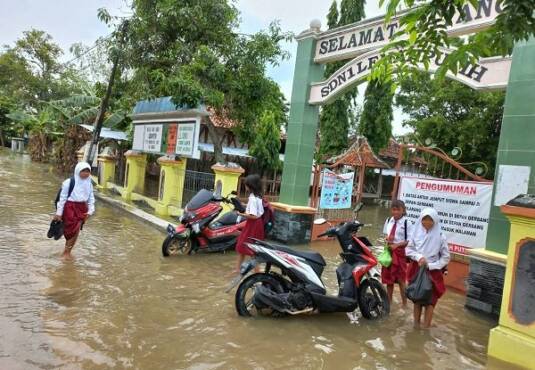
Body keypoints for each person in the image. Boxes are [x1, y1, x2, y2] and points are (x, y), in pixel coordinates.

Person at [406, 208, 450, 328]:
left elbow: (446, 258)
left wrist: (432, 265)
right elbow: (409, 250)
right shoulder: (415, 232)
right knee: (417, 298)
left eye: (430, 220)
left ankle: (426, 328)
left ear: (435, 221)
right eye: (424, 219)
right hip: (417, 268)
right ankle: (416, 326)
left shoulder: (441, 236)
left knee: (430, 301)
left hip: (433, 272)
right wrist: (418, 257)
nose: (426, 222)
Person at [53, 162, 95, 259]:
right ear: (77, 171)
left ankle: (67, 252)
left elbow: (91, 198)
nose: (86, 173)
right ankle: (66, 251)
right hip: (70, 208)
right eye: (83, 171)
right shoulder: (68, 182)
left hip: (82, 209)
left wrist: (90, 211)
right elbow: (62, 198)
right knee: (70, 230)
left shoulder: (89, 184)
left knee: (76, 230)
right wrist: (59, 213)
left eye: (88, 171)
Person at [381, 200, 412, 307]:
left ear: (403, 210)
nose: (396, 212)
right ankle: (388, 302)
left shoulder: (407, 222)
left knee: (401, 280)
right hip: (389, 252)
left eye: (398, 209)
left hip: (400, 253)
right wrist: (386, 239)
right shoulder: (389, 220)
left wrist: (397, 245)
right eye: (394, 209)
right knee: (389, 279)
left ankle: (404, 304)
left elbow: (409, 240)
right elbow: (386, 235)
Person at [234, 174, 264, 273]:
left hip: (253, 224)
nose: (245, 186)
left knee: (249, 248)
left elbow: (254, 216)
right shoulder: (257, 196)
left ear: (251, 186)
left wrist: (241, 214)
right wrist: (244, 205)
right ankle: (238, 269)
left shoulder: (253, 198)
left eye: (246, 185)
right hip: (255, 224)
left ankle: (257, 272)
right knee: (245, 246)